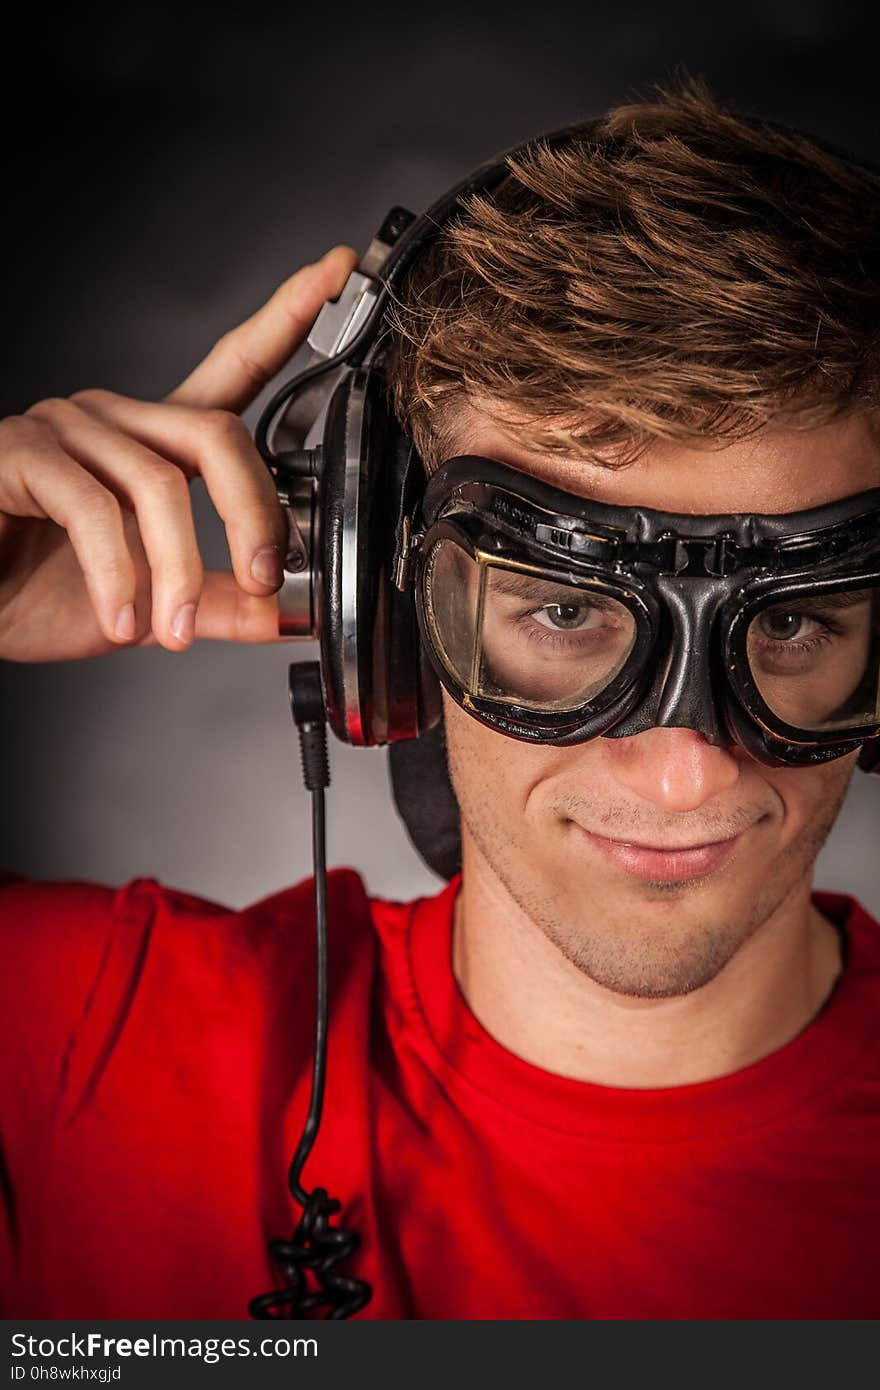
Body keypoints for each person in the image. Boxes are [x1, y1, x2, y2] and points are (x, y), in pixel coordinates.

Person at [2, 82, 879, 1320]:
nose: (686, 773)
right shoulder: (76, 1041)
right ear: (387, 611)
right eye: (566, 610)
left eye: (788, 620)